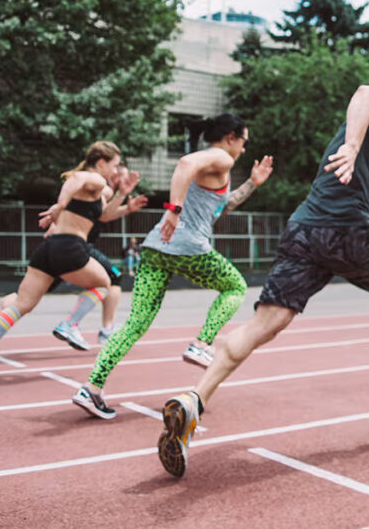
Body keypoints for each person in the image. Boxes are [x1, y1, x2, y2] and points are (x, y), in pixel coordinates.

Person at [156, 61, 369, 478]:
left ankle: (194, 400)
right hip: (344, 229)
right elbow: (365, 93)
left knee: (265, 323)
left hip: (304, 229)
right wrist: (355, 146)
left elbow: (364, 176)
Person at [71, 113, 273, 419]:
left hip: (156, 249)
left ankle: (91, 388)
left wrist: (253, 184)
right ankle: (201, 343)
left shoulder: (216, 166)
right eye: (244, 141)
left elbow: (220, 206)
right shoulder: (219, 156)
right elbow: (183, 165)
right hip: (188, 247)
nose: (244, 150)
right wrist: (174, 209)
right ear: (231, 137)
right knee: (236, 286)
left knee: (136, 323)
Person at [0, 141, 122, 383]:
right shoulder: (93, 179)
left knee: (22, 303)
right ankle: (70, 325)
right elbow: (74, 181)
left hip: (48, 249)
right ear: (101, 163)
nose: (116, 171)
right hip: (70, 246)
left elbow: (105, 213)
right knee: (104, 283)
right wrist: (59, 205)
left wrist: (124, 195)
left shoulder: (94, 191)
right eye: (115, 166)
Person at [48, 166, 149, 350]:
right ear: (114, 175)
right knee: (112, 276)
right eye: (124, 178)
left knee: (30, 296)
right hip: (76, 245)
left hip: (66, 245)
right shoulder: (101, 188)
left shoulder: (98, 191)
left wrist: (127, 208)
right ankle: (91, 327)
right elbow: (102, 215)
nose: (126, 182)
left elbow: (102, 215)